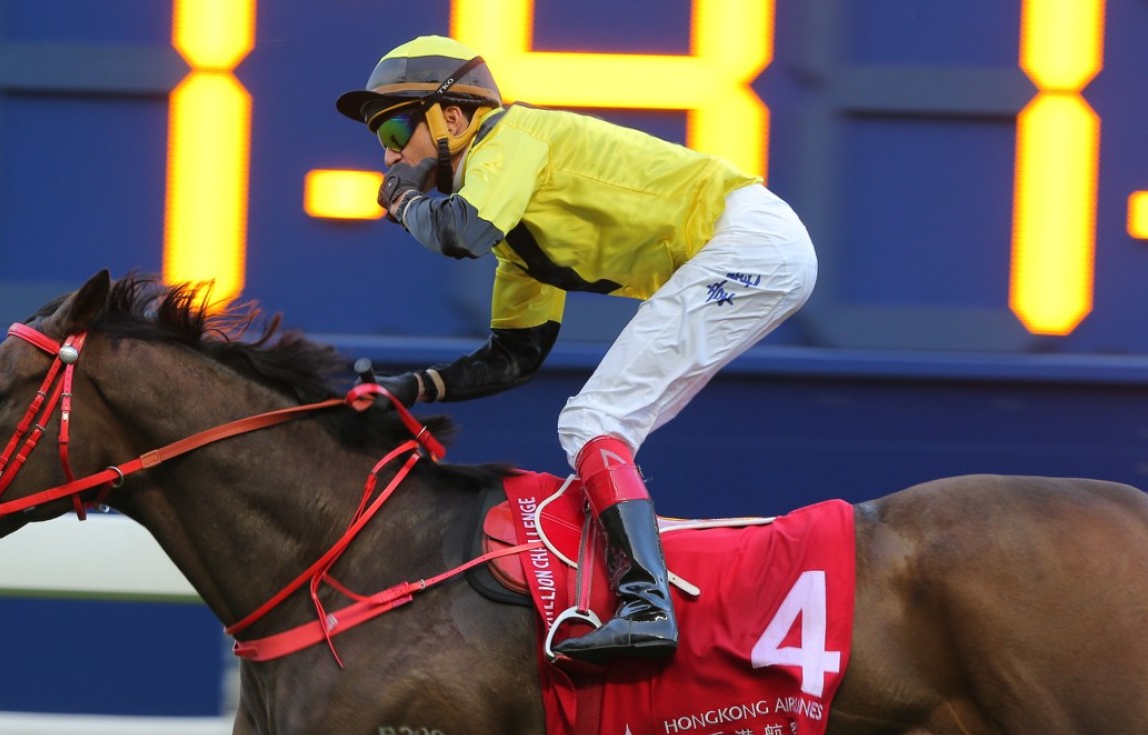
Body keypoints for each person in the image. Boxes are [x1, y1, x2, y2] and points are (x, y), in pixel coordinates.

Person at [337, 35, 817, 664]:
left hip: (747, 243)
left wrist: (402, 199)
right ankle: (637, 597)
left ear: (454, 116)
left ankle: (647, 607)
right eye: (382, 140)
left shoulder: (508, 139)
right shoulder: (518, 229)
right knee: (600, 428)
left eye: (398, 127)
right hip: (751, 250)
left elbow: (458, 232)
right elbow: (515, 356)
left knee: (594, 420)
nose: (392, 153)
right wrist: (416, 387)